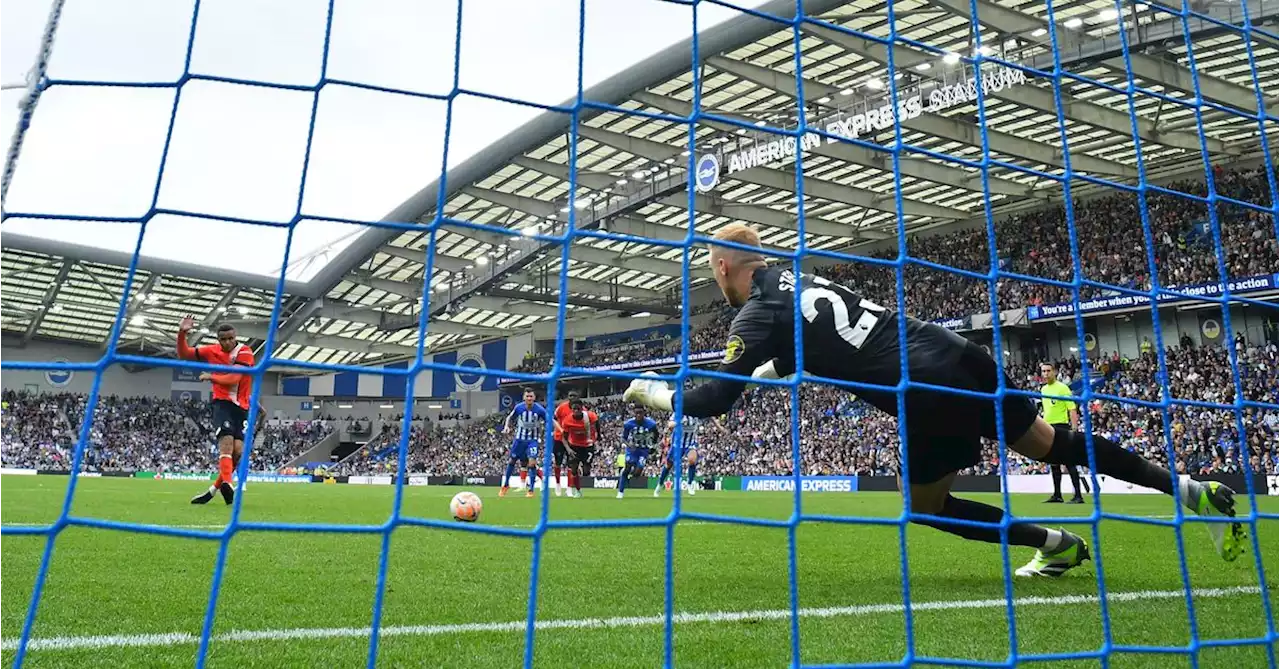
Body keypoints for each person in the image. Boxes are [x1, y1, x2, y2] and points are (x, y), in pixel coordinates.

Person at [624, 223, 1246, 577]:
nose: (715, 281)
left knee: (924, 506)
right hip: (956, 352)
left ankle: (1052, 543)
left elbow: (712, 402)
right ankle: (1192, 491)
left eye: (712, 272)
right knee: (1052, 444)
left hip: (922, 389)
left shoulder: (756, 312)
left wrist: (652, 393)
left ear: (727, 265)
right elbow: (808, 344)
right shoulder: (800, 279)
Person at [177, 316, 254, 506]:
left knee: (238, 452)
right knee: (226, 444)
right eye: (223, 339)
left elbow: (234, 378)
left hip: (242, 407)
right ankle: (227, 483)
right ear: (218, 340)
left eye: (230, 338)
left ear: (235, 337)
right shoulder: (211, 350)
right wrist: (182, 333)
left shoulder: (244, 351)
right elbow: (184, 354)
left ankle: (213, 490)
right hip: (222, 404)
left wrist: (212, 376)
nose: (227, 342)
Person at [1040, 363, 1086, 504]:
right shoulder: (1043, 389)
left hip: (1062, 427)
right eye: (1043, 371)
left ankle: (1078, 495)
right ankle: (1057, 495)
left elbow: (1072, 409)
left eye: (1048, 371)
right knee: (1053, 463)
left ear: (1054, 372)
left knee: (1069, 461)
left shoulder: (1062, 388)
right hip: (1048, 427)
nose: (1046, 374)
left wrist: (1074, 428)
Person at [501, 388, 556, 498]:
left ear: (534, 398)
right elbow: (509, 417)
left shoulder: (539, 409)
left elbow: (549, 420)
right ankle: (506, 485)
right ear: (524, 397)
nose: (529, 398)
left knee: (531, 463)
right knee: (512, 461)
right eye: (527, 396)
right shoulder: (519, 407)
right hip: (519, 440)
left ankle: (531, 490)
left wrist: (556, 429)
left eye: (531, 396)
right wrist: (506, 426)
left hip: (532, 441)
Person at [618, 404, 660, 499]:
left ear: (644, 413)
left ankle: (628, 476)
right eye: (636, 413)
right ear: (634, 413)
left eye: (640, 413)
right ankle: (620, 492)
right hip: (632, 450)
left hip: (644, 450)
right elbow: (623, 438)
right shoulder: (628, 424)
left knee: (637, 473)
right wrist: (629, 445)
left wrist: (653, 446)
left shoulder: (651, 424)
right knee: (628, 467)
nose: (638, 415)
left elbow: (656, 435)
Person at [560, 397, 599, 498]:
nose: (576, 411)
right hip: (574, 446)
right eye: (574, 409)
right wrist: (568, 450)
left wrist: (597, 437)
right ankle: (577, 491)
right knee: (573, 470)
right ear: (572, 409)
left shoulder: (590, 416)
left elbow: (597, 424)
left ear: (582, 408)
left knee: (586, 472)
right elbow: (563, 438)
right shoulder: (567, 420)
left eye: (578, 409)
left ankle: (584, 465)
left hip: (588, 446)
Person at [550, 390, 580, 497]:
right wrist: (560, 428)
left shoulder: (581, 410)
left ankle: (569, 488)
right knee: (558, 462)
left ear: (578, 397)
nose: (572, 397)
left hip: (572, 440)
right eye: (570, 396)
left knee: (571, 464)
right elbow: (553, 419)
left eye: (574, 396)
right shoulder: (562, 407)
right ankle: (558, 484)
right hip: (559, 438)